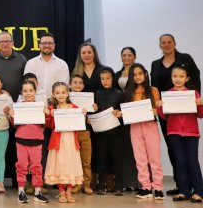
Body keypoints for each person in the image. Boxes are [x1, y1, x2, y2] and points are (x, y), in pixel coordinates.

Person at [150, 33, 201, 196]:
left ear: (174, 43)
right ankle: (181, 185)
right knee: (173, 149)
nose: (166, 44)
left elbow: (196, 78)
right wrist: (157, 106)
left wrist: (194, 100)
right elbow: (154, 87)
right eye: (163, 42)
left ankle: (194, 187)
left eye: (169, 42)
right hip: (166, 112)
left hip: (186, 110)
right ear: (160, 45)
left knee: (189, 154)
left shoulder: (185, 59)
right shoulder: (155, 64)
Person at [23, 33, 70, 194]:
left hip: (56, 107)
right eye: (44, 43)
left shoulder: (61, 64)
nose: (47, 45)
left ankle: (54, 180)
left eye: (50, 43)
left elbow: (63, 86)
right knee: (35, 147)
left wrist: (52, 104)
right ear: (39, 45)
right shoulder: (31, 63)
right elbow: (26, 84)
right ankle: (35, 181)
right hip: (34, 108)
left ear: (54, 45)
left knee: (54, 146)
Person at [158, 66, 203, 203]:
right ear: (171, 78)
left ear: (187, 78)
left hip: (191, 133)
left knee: (192, 161)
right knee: (179, 162)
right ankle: (183, 191)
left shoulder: (193, 94)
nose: (178, 79)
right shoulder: (167, 94)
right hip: (174, 132)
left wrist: (201, 104)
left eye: (181, 76)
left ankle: (198, 191)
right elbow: (164, 116)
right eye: (175, 76)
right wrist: (160, 106)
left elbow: (201, 114)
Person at [123, 63, 164, 200]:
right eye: (134, 75)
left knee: (154, 158)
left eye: (140, 73)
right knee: (140, 159)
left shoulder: (153, 90)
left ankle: (158, 187)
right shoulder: (129, 93)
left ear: (145, 74)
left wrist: (157, 110)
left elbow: (159, 109)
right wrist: (121, 113)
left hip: (150, 126)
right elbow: (127, 111)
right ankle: (146, 187)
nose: (138, 77)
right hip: (135, 127)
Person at [6, 80, 49, 204]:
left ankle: (38, 192)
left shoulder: (40, 107)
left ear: (35, 92)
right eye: (25, 91)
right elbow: (15, 125)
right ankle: (21, 192)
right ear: (21, 92)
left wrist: (46, 115)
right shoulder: (18, 106)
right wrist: (12, 116)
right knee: (22, 165)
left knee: (37, 166)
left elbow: (45, 124)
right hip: (22, 140)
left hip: (36, 140)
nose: (28, 93)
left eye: (31, 90)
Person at [45, 82, 84, 203]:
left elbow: (79, 123)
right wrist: (49, 115)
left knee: (71, 165)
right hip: (58, 141)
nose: (61, 95)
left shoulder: (74, 108)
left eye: (63, 92)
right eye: (58, 93)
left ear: (67, 94)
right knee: (59, 165)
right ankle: (61, 191)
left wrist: (83, 114)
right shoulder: (52, 108)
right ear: (53, 95)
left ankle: (69, 191)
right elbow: (49, 125)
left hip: (71, 141)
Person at [90, 67, 125, 196]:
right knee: (101, 159)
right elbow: (91, 111)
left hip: (116, 131)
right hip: (100, 132)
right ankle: (101, 186)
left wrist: (119, 113)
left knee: (117, 159)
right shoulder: (96, 94)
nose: (105, 81)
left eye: (108, 78)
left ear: (113, 79)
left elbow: (123, 111)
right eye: (102, 79)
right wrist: (93, 109)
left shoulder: (119, 93)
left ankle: (119, 186)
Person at [69, 74, 93, 195]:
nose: (78, 85)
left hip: (84, 131)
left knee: (86, 160)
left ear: (83, 85)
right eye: (75, 82)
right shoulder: (66, 99)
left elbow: (92, 116)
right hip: (71, 132)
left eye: (80, 83)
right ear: (70, 85)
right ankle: (75, 184)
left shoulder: (88, 99)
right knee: (73, 160)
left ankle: (87, 184)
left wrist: (94, 109)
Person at [0, 31, 27, 101]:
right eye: (1, 42)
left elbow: (26, 80)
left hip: (19, 101)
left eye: (7, 41)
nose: (4, 44)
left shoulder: (21, 59)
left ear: (12, 43)